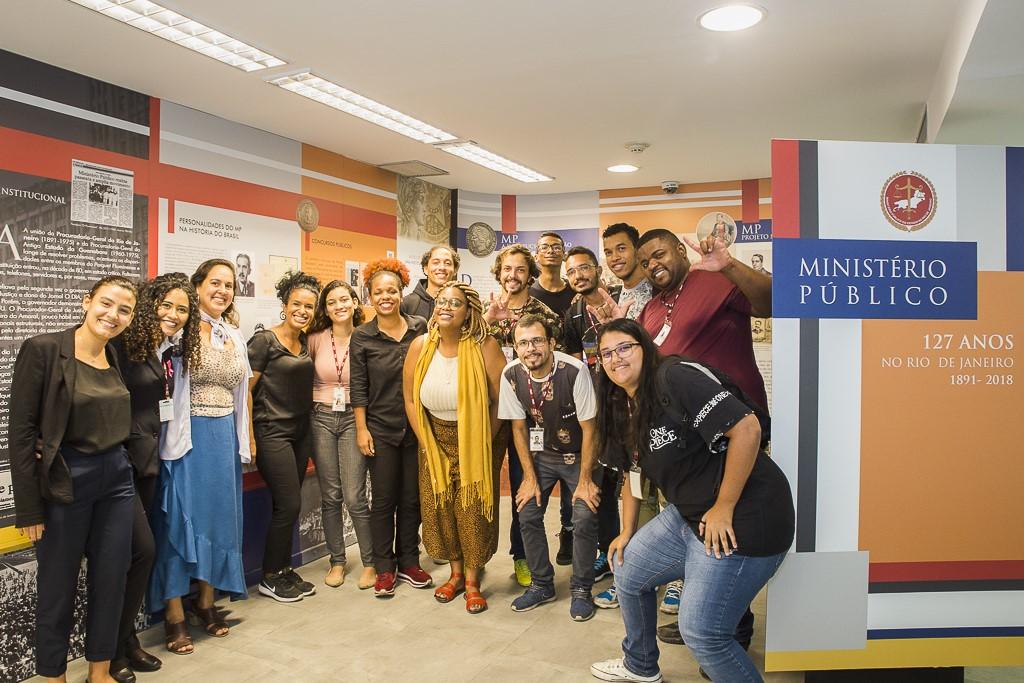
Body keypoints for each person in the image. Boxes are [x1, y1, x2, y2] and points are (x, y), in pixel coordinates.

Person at [589, 319, 793, 683]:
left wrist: (724, 507)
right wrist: (626, 531)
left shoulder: (674, 376)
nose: (616, 358)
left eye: (624, 347)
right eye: (607, 353)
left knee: (702, 633)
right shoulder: (623, 405)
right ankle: (640, 665)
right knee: (626, 568)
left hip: (746, 514)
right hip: (689, 515)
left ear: (644, 347)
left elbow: (747, 429)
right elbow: (631, 473)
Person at [635, 228, 772, 647]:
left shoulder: (715, 280)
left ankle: (730, 631)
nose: (653, 265)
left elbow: (771, 303)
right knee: (701, 528)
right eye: (645, 262)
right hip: (688, 442)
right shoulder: (651, 309)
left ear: (680, 250)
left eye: (659, 254)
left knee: (729, 527)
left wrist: (728, 265)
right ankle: (709, 617)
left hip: (735, 428)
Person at [10, 275, 138, 683]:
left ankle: (99, 671)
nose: (113, 315)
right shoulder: (44, 349)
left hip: (116, 480)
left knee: (111, 579)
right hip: (66, 481)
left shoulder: (112, 353)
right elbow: (21, 432)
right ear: (86, 302)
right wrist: (29, 508)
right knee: (57, 587)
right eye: (106, 303)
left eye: (124, 310)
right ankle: (54, 676)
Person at [149, 259, 252, 655]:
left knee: (220, 520)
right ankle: (174, 612)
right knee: (179, 520)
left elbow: (243, 392)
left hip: (224, 438)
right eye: (215, 282)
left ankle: (206, 602)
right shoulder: (179, 331)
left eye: (229, 285)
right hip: (186, 439)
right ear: (197, 286)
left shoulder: (234, 335)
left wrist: (245, 440)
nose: (223, 290)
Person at [110, 273, 200, 683]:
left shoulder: (161, 351)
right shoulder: (123, 346)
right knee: (133, 553)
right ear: (149, 305)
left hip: (147, 463)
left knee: (138, 555)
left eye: (182, 309)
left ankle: (125, 641)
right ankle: (112, 650)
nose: (174, 315)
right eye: (166, 305)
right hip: (120, 463)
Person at [403, 281, 507, 613]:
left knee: (472, 510)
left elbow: (501, 399)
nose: (446, 307)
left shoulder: (485, 346)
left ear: (468, 312)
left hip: (476, 438)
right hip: (434, 438)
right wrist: (425, 442)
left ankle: (474, 581)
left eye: (455, 303)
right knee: (442, 509)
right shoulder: (420, 346)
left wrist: (483, 440)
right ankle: (456, 574)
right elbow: (409, 398)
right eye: (442, 301)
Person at [498, 314, 602, 622]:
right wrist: (529, 477)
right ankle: (542, 584)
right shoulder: (511, 374)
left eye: (537, 341)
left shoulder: (575, 371)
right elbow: (518, 428)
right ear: (516, 347)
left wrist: (585, 480)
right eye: (523, 343)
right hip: (542, 454)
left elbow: (591, 429)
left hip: (580, 454)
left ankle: (581, 589)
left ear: (552, 343)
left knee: (584, 516)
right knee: (527, 511)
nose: (530, 349)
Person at [483, 244, 564, 588]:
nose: (512, 275)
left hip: (528, 415)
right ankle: (475, 555)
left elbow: (555, 364)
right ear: (498, 273)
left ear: (530, 274)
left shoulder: (544, 315)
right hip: (487, 411)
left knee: (523, 485)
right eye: (507, 269)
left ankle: (522, 555)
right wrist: (489, 320)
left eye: (520, 269)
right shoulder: (484, 311)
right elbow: (463, 348)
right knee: (482, 485)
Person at [350, 258, 431, 597]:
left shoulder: (420, 327)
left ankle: (409, 560)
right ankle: (384, 567)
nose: (386, 297)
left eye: (392, 291)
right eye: (379, 292)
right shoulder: (362, 336)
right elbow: (358, 386)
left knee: (412, 498)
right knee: (383, 500)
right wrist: (361, 428)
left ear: (401, 293)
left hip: (416, 427)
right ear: (369, 296)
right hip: (380, 429)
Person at [248, 271, 320, 603]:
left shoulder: (305, 342)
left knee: (288, 505)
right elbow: (246, 393)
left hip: (300, 433)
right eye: (296, 304)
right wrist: (249, 438)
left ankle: (282, 568)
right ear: (284, 304)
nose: (302, 311)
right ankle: (269, 576)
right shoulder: (264, 341)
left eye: (309, 306)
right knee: (289, 503)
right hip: (271, 432)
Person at [307, 280, 376, 590]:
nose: (339, 306)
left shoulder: (365, 337)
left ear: (354, 302)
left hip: (353, 418)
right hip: (321, 418)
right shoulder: (316, 339)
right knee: (331, 496)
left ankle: (370, 562)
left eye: (344, 299)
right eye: (332, 302)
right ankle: (337, 560)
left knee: (354, 497)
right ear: (325, 308)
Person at [528, 232, 577, 563]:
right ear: (537, 254)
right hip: (534, 391)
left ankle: (568, 532)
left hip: (569, 387)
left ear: (563, 254)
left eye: (556, 247)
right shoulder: (530, 294)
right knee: (541, 465)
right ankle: (531, 548)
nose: (550, 252)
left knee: (570, 459)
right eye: (544, 247)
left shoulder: (575, 292)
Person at [600, 223, 652, 320]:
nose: (614, 258)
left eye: (621, 249)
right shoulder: (612, 298)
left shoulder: (660, 289)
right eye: (608, 253)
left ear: (637, 250)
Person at [401, 245, 460, 321]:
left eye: (447, 263)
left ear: (455, 270)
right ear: (425, 269)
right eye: (436, 263)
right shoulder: (407, 304)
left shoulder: (461, 304)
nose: (442, 267)